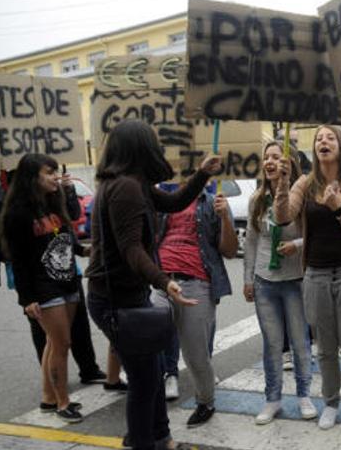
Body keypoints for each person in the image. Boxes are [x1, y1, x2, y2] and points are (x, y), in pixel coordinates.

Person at [85, 119, 222, 450]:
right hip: (117, 300)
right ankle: (144, 442)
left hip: (127, 296)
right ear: (140, 147)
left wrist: (202, 173)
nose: (159, 148)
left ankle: (161, 437)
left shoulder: (131, 184)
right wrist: (166, 281)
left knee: (152, 374)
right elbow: (131, 249)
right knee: (145, 381)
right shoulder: (126, 188)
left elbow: (173, 203)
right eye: (154, 142)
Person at [274, 124, 341, 430]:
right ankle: (330, 402)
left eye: (330, 137)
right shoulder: (304, 184)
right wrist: (282, 185)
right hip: (316, 275)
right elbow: (283, 217)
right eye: (319, 138)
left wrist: (338, 210)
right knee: (325, 347)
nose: (323, 141)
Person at [0, 154, 89, 423]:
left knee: (54, 342)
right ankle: (63, 402)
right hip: (43, 287)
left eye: (55, 171)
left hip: (67, 280)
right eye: (49, 173)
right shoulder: (17, 213)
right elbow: (19, 260)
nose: (55, 177)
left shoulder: (53, 202)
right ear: (32, 178)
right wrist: (26, 299)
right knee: (62, 344)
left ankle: (49, 398)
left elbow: (65, 236)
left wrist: (83, 249)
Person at [151, 177, 238, 427]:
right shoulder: (164, 203)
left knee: (196, 354)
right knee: (147, 340)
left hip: (196, 285)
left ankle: (205, 402)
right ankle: (157, 391)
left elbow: (230, 251)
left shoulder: (213, 203)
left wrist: (224, 218)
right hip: (162, 282)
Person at [243, 141, 317, 425]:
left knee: (300, 342)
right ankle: (272, 399)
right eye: (267, 157)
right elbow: (251, 241)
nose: (270, 161)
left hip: (295, 280)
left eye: (277, 157)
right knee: (272, 344)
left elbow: (313, 235)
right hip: (265, 282)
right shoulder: (256, 199)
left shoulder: (301, 195)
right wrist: (248, 278)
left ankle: (304, 395)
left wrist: (296, 245)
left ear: (290, 164)